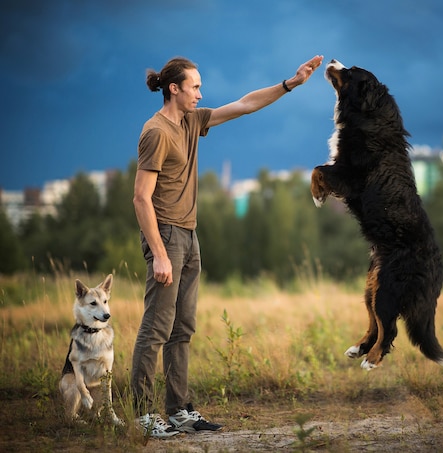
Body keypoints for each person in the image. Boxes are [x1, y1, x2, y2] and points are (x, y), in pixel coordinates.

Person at [131, 54, 324, 437]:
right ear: (175, 89)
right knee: (156, 327)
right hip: (167, 234)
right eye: (195, 87)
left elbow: (245, 105)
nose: (201, 93)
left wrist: (290, 83)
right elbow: (140, 198)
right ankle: (141, 415)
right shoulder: (156, 132)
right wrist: (159, 253)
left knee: (182, 328)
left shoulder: (192, 120)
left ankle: (179, 410)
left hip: (189, 232)